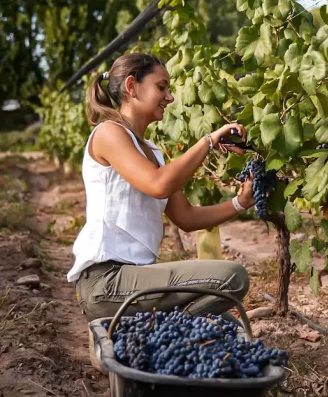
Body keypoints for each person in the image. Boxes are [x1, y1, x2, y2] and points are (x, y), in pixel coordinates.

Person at [67, 53, 254, 368]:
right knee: (231, 278)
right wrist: (208, 141)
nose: (170, 97)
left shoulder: (152, 151)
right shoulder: (109, 133)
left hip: (132, 281)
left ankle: (144, 336)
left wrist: (240, 203)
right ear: (132, 86)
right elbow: (158, 185)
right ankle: (146, 336)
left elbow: (187, 218)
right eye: (161, 87)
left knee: (221, 307)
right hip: (107, 281)